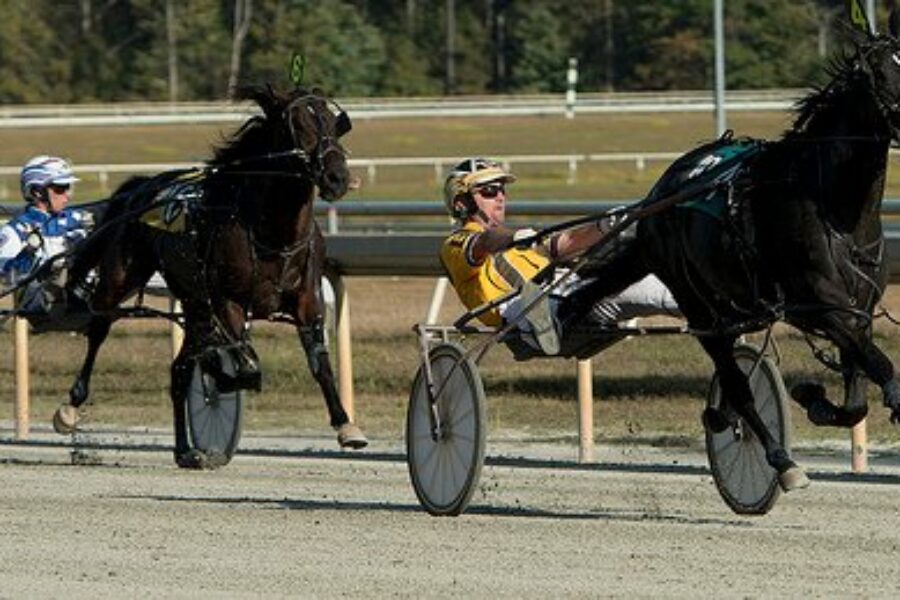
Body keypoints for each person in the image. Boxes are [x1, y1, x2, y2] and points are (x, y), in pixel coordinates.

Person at [439, 157, 679, 358]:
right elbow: (484, 242)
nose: (500, 197)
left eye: (502, 189)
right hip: (516, 309)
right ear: (462, 203)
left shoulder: (521, 241)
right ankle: (540, 322)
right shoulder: (456, 244)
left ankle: (712, 307)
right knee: (637, 290)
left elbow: (566, 243)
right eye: (489, 191)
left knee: (662, 284)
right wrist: (513, 238)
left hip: (570, 291)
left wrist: (605, 226)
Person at [0, 155, 93, 322]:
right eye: (60, 188)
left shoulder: (78, 219)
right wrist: (28, 252)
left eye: (68, 188)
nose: (67, 196)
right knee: (58, 265)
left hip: (84, 295)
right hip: (40, 309)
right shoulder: (15, 231)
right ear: (37, 192)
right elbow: (9, 278)